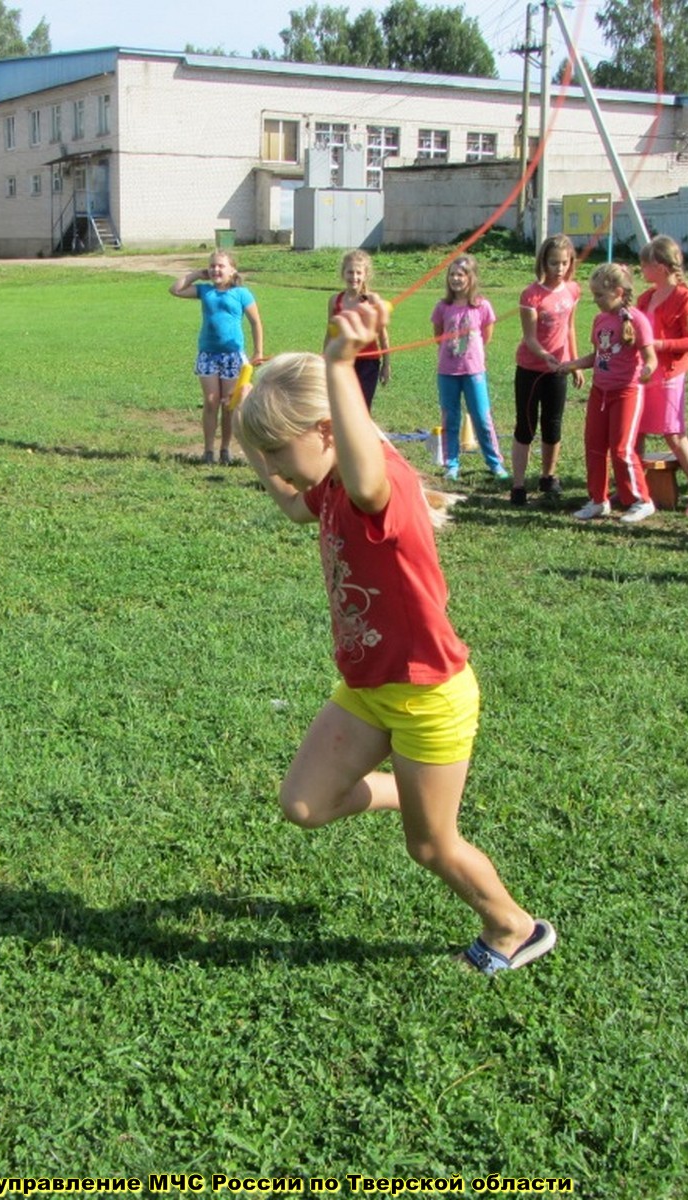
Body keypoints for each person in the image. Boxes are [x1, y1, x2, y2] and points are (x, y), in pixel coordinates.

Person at [233, 301, 555, 978]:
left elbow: (363, 471)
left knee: (431, 847)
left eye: (279, 450)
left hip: (428, 696)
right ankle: (404, 788)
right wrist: (256, 456)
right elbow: (294, 506)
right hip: (368, 689)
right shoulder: (324, 485)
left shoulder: (376, 489)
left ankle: (514, 927)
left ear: (326, 431)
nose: (277, 466)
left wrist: (341, 365)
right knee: (303, 804)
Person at [557, 262, 657, 523]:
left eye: (600, 295)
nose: (596, 300)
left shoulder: (637, 320)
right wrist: (572, 365)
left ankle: (640, 500)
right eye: (594, 295)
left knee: (621, 448)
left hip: (626, 392)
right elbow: (598, 355)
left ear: (619, 293)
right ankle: (598, 500)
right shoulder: (600, 320)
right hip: (599, 391)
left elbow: (650, 357)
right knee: (594, 445)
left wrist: (647, 369)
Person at [635, 235, 688, 515]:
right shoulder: (646, 297)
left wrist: (659, 345)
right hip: (644, 374)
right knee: (636, 431)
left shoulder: (684, 298)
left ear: (660, 266)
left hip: (669, 374)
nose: (641, 270)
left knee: (674, 434)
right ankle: (636, 489)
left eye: (645, 265)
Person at [170, 251, 265, 464]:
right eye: (212, 266)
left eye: (221, 266)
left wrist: (258, 351)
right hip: (208, 355)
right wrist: (197, 274)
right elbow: (175, 289)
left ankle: (225, 449)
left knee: (228, 405)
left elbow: (255, 323)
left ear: (232, 270)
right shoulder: (205, 291)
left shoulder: (242, 293)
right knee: (211, 402)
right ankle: (208, 450)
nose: (216, 270)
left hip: (233, 356)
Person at [511, 234, 582, 506]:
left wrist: (574, 363)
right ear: (544, 262)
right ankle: (518, 485)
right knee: (525, 427)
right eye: (554, 263)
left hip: (559, 369)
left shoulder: (573, 290)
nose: (559, 268)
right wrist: (546, 356)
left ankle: (548, 476)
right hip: (531, 368)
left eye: (564, 263)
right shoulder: (531, 295)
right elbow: (530, 338)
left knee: (553, 426)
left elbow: (570, 328)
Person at [432, 255, 507, 483]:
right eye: (452, 274)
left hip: (474, 371)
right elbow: (438, 335)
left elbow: (486, 335)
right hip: (447, 372)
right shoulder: (443, 307)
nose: (456, 278)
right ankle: (451, 464)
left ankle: (495, 463)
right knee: (450, 418)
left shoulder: (482, 306)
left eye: (461, 274)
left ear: (471, 278)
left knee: (482, 418)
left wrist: (470, 354)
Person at [329, 250, 391, 409]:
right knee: (342, 406)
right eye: (350, 272)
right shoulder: (335, 300)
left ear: (365, 275)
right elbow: (330, 334)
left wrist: (386, 364)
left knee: (362, 407)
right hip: (342, 359)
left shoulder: (372, 300)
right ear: (343, 273)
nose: (354, 277)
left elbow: (383, 335)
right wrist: (326, 360)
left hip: (368, 362)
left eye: (358, 273)